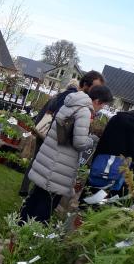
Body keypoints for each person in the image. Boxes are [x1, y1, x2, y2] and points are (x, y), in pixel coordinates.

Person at [20, 84, 113, 222]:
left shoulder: (70, 103)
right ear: (98, 101)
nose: (102, 109)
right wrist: (91, 140)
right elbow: (79, 143)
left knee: (36, 197)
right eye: (103, 105)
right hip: (59, 165)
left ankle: (18, 228)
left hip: (49, 156)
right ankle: (29, 236)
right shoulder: (84, 111)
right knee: (46, 205)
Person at [19, 70, 106, 196]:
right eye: (96, 87)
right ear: (86, 85)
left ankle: (28, 193)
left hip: (49, 136)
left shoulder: (73, 98)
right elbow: (62, 124)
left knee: (40, 169)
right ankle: (27, 192)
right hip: (52, 138)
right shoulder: (74, 99)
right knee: (43, 178)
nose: (98, 91)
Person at [88, 94, 134, 191]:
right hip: (125, 188)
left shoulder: (116, 119)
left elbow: (100, 148)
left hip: (99, 177)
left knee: (88, 204)